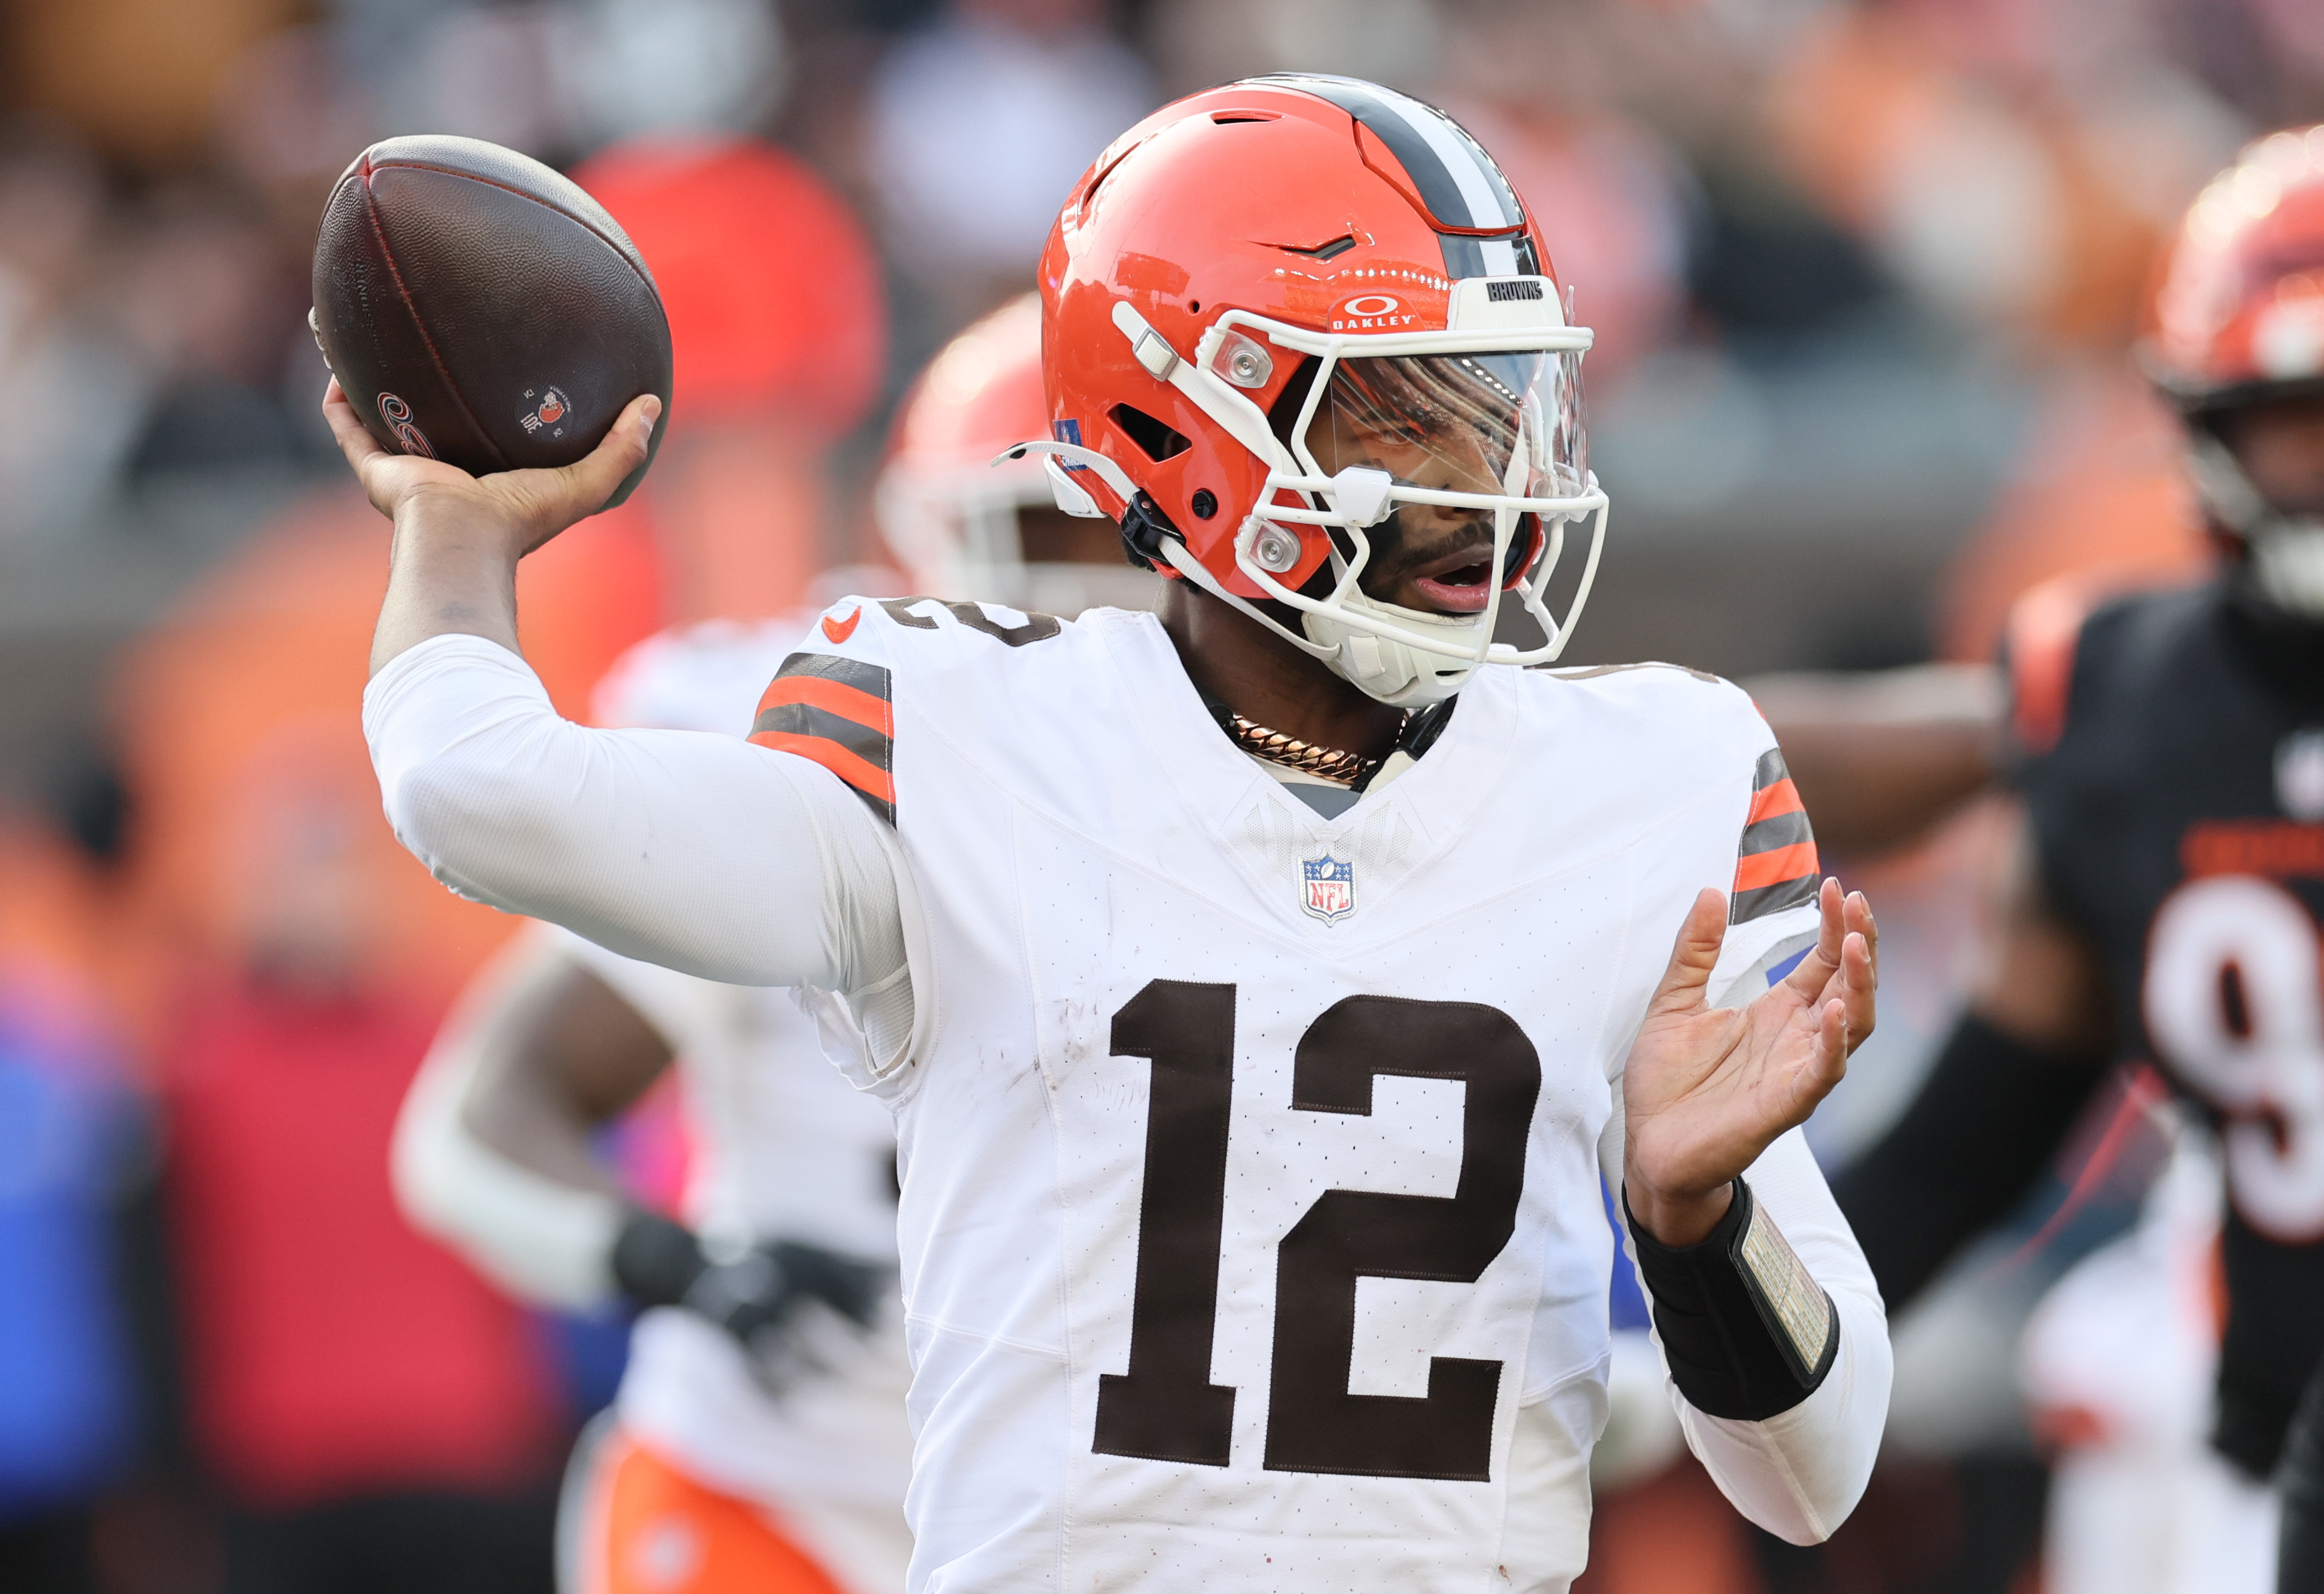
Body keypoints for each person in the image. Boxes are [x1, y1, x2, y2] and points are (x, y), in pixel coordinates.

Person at [343, 76, 1887, 1593]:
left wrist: (1700, 1224)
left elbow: (1814, 1476)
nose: (1490, 477)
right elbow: (475, 791)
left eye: (1503, 404)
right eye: (1407, 413)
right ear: (1189, 420)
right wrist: (455, 534)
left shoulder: (1661, 771)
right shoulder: (960, 735)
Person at [388, 296, 1154, 1594]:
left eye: (1128, 539)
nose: (1081, 592)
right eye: (1035, 530)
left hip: (1104, 1538)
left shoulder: (1307, 808)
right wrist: (678, 1269)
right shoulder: (804, 736)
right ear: (927, 535)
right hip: (776, 1500)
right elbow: (482, 1120)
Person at [1817, 126, 2324, 1593]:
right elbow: (1967, 1143)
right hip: (2260, 1444)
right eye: (2303, 413)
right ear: (2209, 425)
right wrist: (1717, 1347)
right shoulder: (2127, 705)